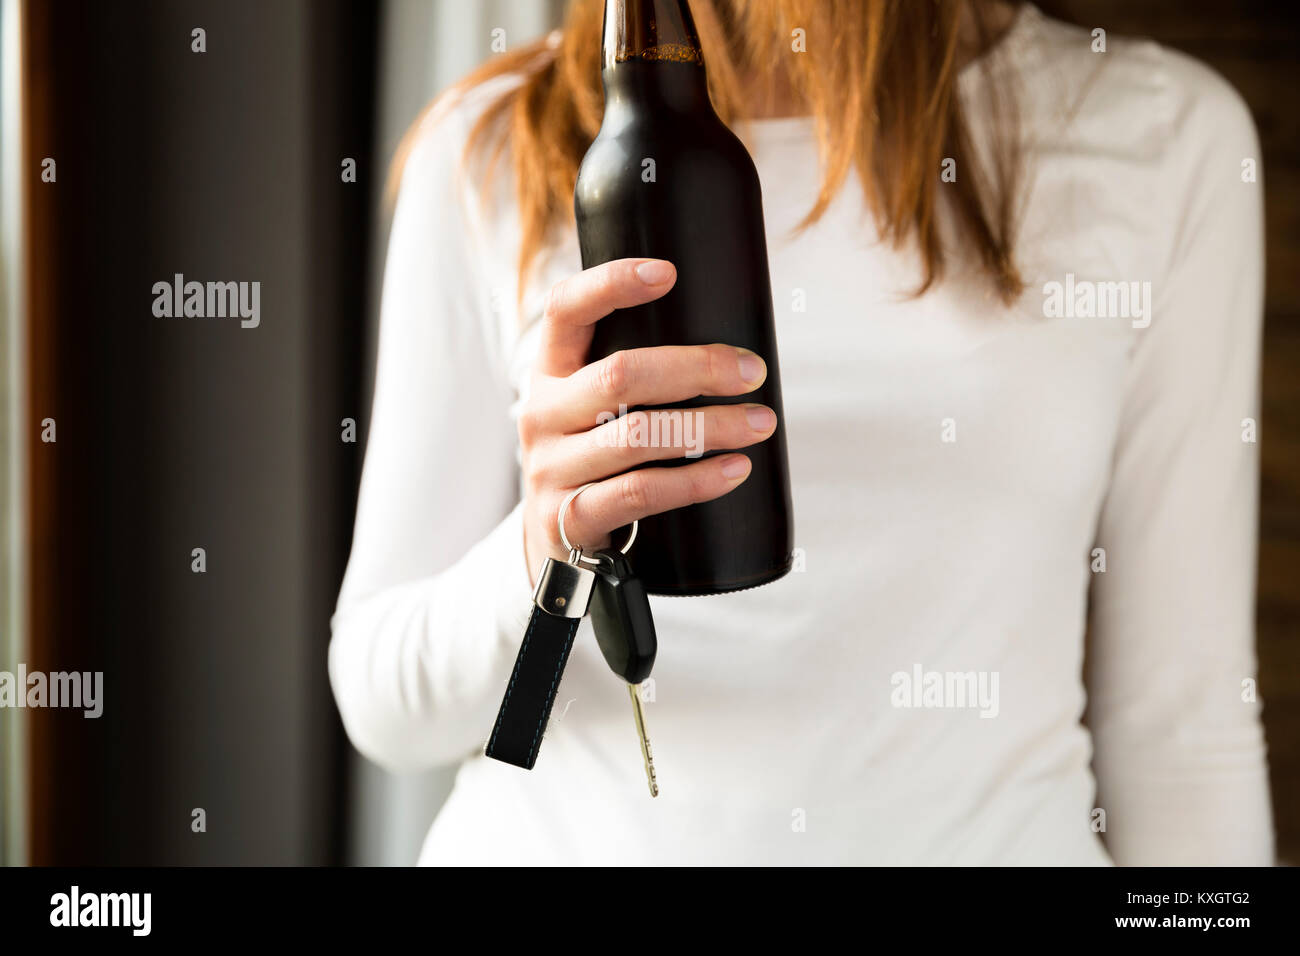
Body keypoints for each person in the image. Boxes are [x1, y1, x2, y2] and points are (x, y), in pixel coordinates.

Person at [328, 0, 1274, 864]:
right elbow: (388, 710)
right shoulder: (490, 143)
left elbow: (1182, 729)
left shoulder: (1163, 136)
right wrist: (541, 553)